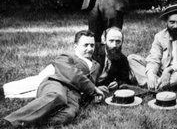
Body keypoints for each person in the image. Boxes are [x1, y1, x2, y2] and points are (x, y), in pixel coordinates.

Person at [1, 30, 106, 128]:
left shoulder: (96, 65)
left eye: (92, 45)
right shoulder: (66, 57)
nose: (90, 48)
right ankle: (11, 120)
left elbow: (93, 83)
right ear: (75, 46)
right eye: (85, 45)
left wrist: (96, 92)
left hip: (74, 94)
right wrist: (93, 89)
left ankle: (35, 122)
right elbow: (73, 74)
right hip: (57, 84)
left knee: (69, 115)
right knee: (57, 96)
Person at [2, 27, 131, 99]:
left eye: (118, 41)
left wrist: (117, 83)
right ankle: (3, 90)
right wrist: (94, 86)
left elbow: (125, 79)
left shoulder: (121, 59)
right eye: (111, 40)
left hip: (77, 83)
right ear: (104, 39)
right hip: (65, 70)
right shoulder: (93, 48)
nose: (114, 45)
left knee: (42, 93)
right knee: (37, 81)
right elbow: (76, 63)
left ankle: (9, 96)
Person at [128, 4, 177, 91]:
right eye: (172, 22)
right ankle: (153, 84)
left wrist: (169, 70)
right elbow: (154, 59)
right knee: (132, 59)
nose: (175, 26)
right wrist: (151, 75)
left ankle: (151, 87)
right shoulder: (159, 36)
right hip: (161, 71)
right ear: (166, 22)